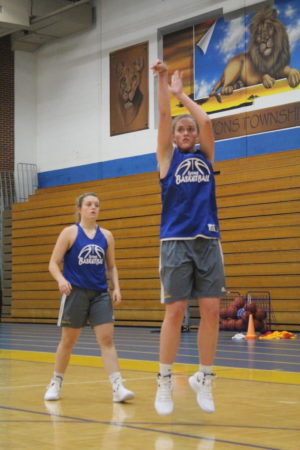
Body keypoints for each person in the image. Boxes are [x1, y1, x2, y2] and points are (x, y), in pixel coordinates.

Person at [151, 59, 226, 415]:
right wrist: (164, 82)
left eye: (188, 130)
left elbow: (208, 121)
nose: (185, 133)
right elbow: (164, 119)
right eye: (181, 130)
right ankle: (164, 380)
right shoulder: (167, 160)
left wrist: (183, 96)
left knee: (211, 311)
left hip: (208, 240)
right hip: (175, 242)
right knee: (176, 311)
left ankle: (205, 377)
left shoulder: (206, 156)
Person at [44, 192, 134, 403]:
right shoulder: (69, 233)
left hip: (100, 294)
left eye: (97, 205)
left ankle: (117, 386)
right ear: (80, 209)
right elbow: (52, 263)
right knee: (68, 341)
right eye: (89, 204)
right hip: (75, 293)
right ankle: (55, 382)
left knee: (107, 340)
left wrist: (117, 287)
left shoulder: (107, 236)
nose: (93, 207)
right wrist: (60, 280)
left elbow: (111, 266)